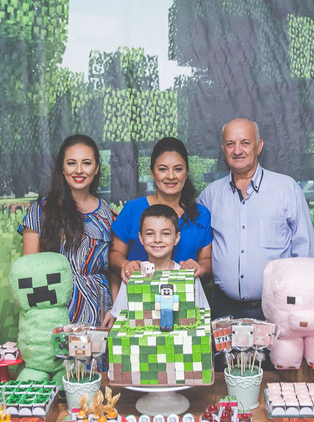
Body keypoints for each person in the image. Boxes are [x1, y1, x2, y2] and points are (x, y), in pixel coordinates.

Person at [197, 118, 314, 319]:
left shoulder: (286, 189)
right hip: (223, 310)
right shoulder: (210, 196)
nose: (237, 150)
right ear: (223, 149)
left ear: (259, 146)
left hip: (276, 309)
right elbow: (197, 243)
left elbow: (306, 254)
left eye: (245, 143)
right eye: (230, 144)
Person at [19, 135, 116, 326]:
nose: (79, 170)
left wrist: (116, 310)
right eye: (71, 163)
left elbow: (113, 272)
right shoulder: (41, 210)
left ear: (96, 168)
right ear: (62, 169)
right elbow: (29, 272)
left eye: (86, 163)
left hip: (101, 313)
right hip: (54, 312)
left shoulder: (109, 215)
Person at [110, 137, 212, 283]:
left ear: (186, 172)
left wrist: (200, 267)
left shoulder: (201, 214)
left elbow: (207, 260)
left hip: (184, 295)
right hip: (139, 294)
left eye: (178, 169)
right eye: (163, 169)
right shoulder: (132, 209)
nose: (171, 176)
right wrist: (125, 264)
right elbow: (115, 253)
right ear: (152, 172)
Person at [100, 204, 209, 330]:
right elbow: (120, 318)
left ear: (177, 238)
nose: (157, 239)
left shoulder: (189, 275)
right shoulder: (133, 275)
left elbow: (203, 316)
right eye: (150, 233)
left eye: (165, 233)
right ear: (141, 238)